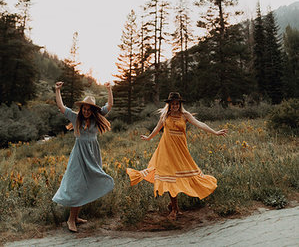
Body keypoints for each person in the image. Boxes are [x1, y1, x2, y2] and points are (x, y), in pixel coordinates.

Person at [126, 92, 228, 220]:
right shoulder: (165, 115)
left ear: (180, 104)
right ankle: (174, 209)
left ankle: (173, 205)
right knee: (170, 177)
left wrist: (215, 132)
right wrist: (148, 138)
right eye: (173, 104)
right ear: (169, 105)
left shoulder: (185, 115)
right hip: (166, 150)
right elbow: (157, 129)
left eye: (177, 103)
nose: (175, 106)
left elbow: (200, 124)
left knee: (185, 175)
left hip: (180, 151)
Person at [52, 81, 114, 232]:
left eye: (88, 109)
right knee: (78, 184)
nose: (86, 111)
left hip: (92, 154)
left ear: (93, 110)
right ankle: (71, 219)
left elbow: (110, 105)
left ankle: (76, 216)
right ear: (81, 109)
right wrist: (57, 90)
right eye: (84, 108)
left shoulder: (96, 117)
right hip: (79, 154)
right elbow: (61, 107)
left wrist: (109, 89)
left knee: (86, 184)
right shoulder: (75, 118)